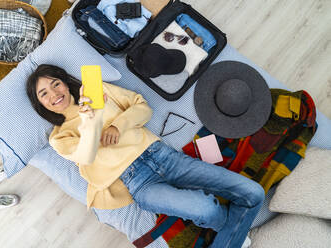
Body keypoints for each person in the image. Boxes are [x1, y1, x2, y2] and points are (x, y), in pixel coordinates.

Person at [26, 64, 264, 248]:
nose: (53, 94)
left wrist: (118, 126)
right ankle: (233, 235)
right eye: (43, 94)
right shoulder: (59, 137)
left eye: (55, 84)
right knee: (206, 209)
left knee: (254, 193)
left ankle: (229, 239)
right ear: (41, 105)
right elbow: (86, 154)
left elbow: (142, 107)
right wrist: (92, 121)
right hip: (139, 182)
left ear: (66, 83)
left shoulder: (96, 90)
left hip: (166, 158)